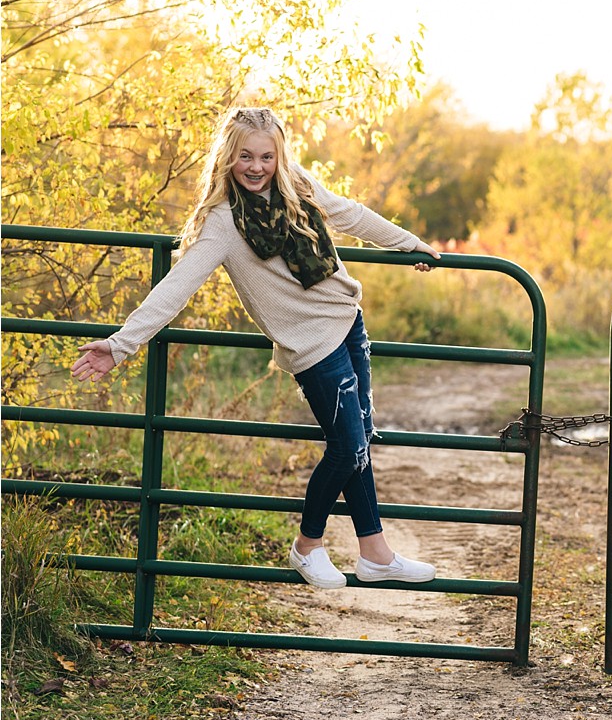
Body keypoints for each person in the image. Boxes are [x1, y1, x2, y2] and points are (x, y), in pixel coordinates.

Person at [71, 107, 442, 590]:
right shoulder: (222, 223)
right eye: (246, 155)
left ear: (279, 155)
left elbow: (349, 213)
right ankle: (307, 548)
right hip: (310, 346)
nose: (256, 166)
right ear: (228, 157)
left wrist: (408, 243)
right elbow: (177, 285)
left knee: (360, 442)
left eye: (266, 156)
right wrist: (121, 344)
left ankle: (375, 554)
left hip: (348, 321)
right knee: (348, 446)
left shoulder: (297, 185)